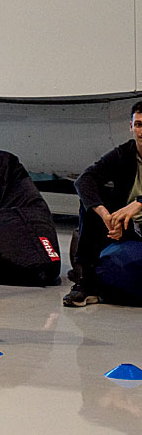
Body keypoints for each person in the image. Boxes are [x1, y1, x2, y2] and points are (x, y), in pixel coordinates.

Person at [64, 100, 142, 307]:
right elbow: (85, 180)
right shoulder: (125, 153)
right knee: (91, 204)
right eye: (139, 125)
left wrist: (140, 203)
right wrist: (106, 216)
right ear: (131, 127)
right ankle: (85, 281)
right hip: (131, 230)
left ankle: (102, 286)